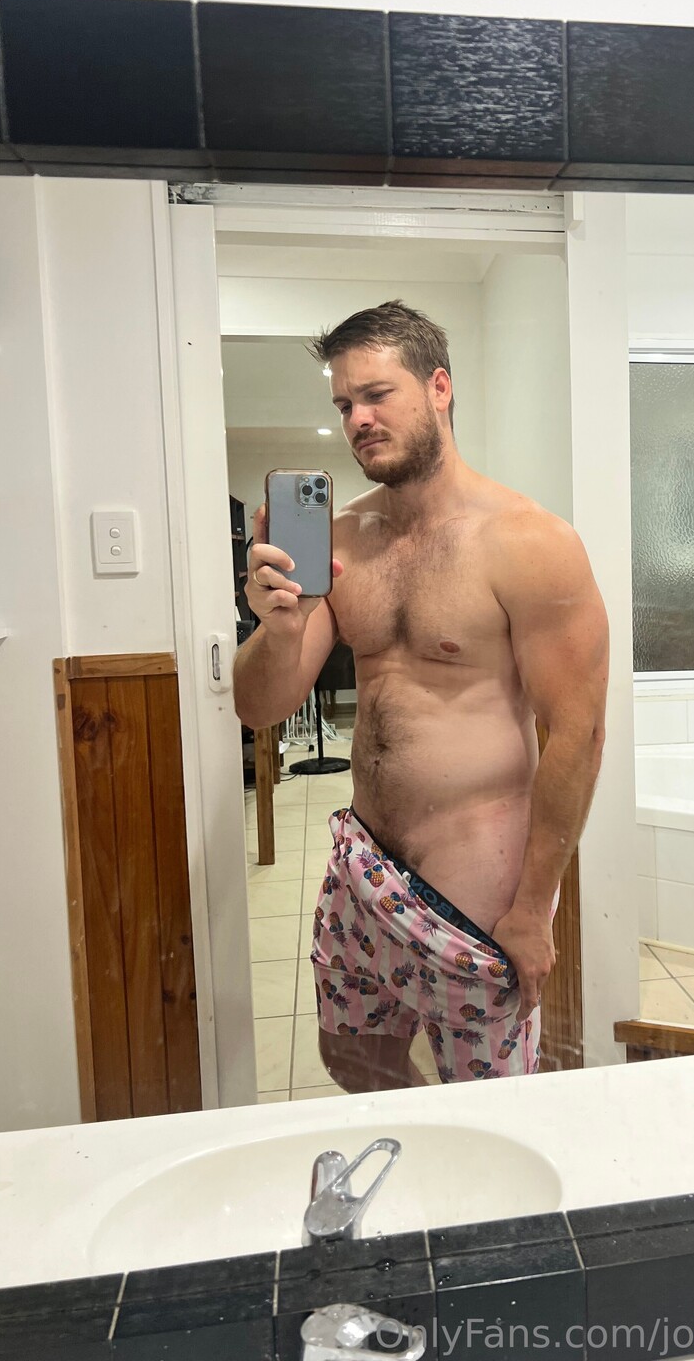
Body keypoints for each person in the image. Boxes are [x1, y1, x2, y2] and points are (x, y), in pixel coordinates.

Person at [233, 300, 609, 1091]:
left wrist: (534, 907)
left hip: (479, 893)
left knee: (488, 1108)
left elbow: (578, 732)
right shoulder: (339, 540)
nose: (358, 420)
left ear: (439, 387)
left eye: (376, 395)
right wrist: (277, 626)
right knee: (352, 1062)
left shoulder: (530, 542)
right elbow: (258, 707)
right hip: (363, 874)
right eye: (344, 404)